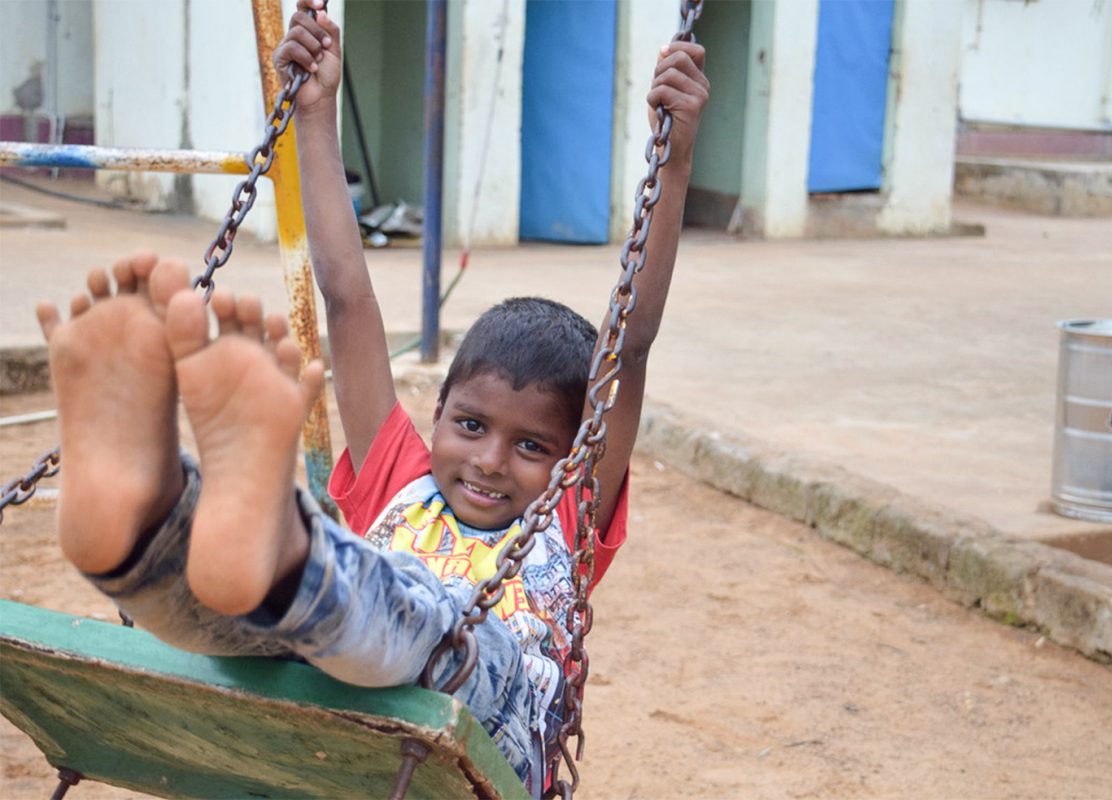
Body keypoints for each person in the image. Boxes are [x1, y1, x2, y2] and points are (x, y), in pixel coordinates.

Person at [38, 0, 706, 792]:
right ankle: (145, 531)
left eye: (533, 446)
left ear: (571, 458)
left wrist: (674, 163)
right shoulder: (402, 473)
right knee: (243, 625)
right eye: (471, 425)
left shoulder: (566, 514)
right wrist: (314, 115)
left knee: (410, 618)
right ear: (436, 417)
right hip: (330, 696)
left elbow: (628, 345)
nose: (490, 461)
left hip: (487, 725)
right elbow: (348, 299)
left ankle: (281, 547)